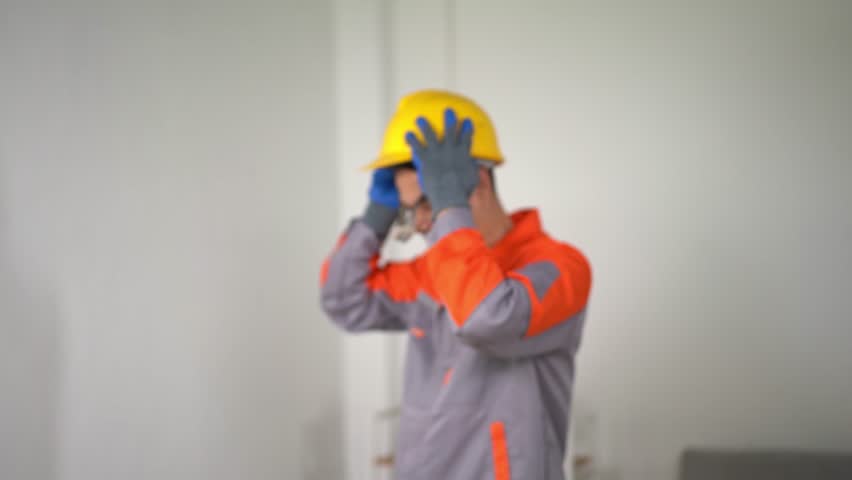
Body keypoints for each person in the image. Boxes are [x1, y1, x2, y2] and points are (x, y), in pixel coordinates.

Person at [320, 89, 592, 480]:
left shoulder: (560, 268)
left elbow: (487, 316)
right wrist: (376, 217)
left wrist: (450, 204)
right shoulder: (433, 270)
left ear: (476, 180)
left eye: (428, 204)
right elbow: (343, 300)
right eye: (411, 210)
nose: (423, 224)